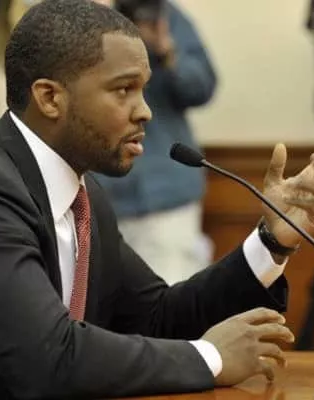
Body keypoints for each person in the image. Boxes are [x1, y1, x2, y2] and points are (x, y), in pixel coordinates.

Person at [0, 1, 314, 399]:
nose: (145, 111)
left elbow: (157, 318)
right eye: (123, 90)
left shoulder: (83, 198)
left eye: (144, 90)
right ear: (50, 97)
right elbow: (47, 358)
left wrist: (271, 242)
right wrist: (210, 358)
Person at [91, 0, 218, 284]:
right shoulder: (67, 17)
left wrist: (166, 52)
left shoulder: (157, 11)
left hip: (164, 197)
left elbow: (202, 87)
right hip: (96, 201)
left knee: (171, 299)